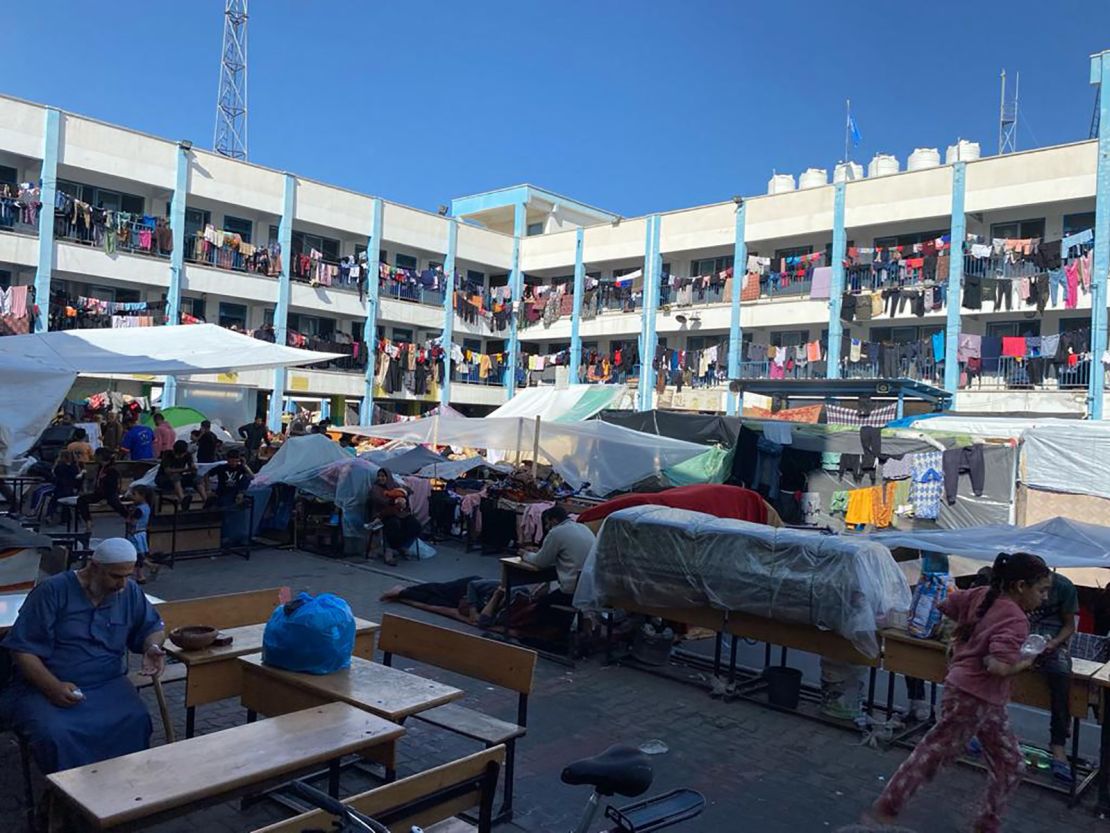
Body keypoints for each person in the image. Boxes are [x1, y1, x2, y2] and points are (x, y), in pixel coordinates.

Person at [865, 552, 1052, 833]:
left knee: (1010, 762)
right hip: (973, 694)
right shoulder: (1016, 619)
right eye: (1042, 590)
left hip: (981, 696)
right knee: (936, 751)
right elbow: (998, 666)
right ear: (1021, 586)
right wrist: (1029, 659)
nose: (1045, 598)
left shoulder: (982, 594)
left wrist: (962, 637)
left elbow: (947, 603)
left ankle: (986, 824)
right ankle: (888, 805)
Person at [0, 538, 165, 773]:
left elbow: (152, 628)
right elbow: (22, 650)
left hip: (108, 684)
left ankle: (122, 793)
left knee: (136, 719)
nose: (122, 584)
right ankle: (67, 799)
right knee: (56, 734)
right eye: (115, 576)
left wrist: (152, 647)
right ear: (94, 566)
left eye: (127, 575)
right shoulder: (52, 592)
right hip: (44, 688)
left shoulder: (129, 592)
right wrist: (52, 687)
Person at [1028, 570, 1078, 782]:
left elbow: (1069, 625)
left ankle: (1058, 743)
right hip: (1022, 635)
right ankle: (983, 728)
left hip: (1053, 641)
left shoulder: (1065, 587)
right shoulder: (1022, 581)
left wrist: (1053, 643)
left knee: (1061, 673)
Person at [519, 505, 596, 607]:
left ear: (554, 520)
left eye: (547, 523)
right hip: (590, 588)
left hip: (572, 591)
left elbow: (540, 561)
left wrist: (525, 555)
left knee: (539, 604)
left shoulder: (556, 532)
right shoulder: (583, 528)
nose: (546, 527)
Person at [369, 467, 422, 566]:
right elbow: (379, 500)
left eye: (383, 476)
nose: (381, 478)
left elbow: (405, 493)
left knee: (415, 525)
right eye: (379, 476)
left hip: (399, 512)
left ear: (388, 477)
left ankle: (403, 546)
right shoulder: (375, 488)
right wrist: (394, 501)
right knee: (393, 525)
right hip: (383, 514)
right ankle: (390, 550)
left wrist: (403, 499)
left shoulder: (395, 486)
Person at [77, 448, 128, 532]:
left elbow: (112, 486)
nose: (94, 457)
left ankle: (128, 517)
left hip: (110, 492)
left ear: (100, 456)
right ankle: (88, 521)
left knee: (113, 501)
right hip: (99, 492)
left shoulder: (112, 469)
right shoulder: (101, 466)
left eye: (96, 455)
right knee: (81, 499)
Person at [156, 440, 208, 506]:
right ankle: (182, 500)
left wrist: (194, 469)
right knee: (175, 476)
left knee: (197, 478)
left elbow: (191, 466)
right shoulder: (167, 454)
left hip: (179, 479)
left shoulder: (187, 455)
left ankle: (205, 501)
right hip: (163, 478)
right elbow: (168, 471)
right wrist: (185, 470)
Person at [126, 485, 153, 583]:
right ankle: (143, 571)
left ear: (142, 495)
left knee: (136, 555)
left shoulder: (138, 510)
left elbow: (132, 522)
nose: (132, 497)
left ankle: (140, 575)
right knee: (139, 554)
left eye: (134, 494)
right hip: (142, 532)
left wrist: (129, 518)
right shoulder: (146, 507)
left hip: (135, 534)